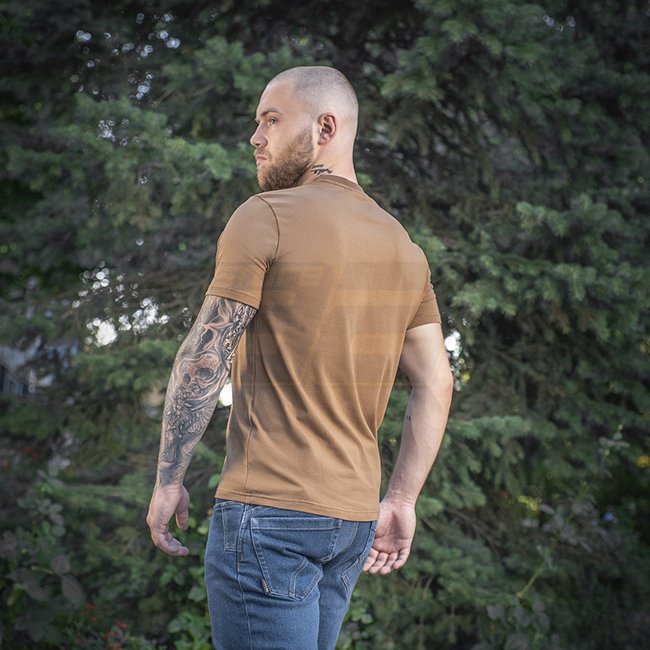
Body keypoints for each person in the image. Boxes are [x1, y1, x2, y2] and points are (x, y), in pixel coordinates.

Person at [146, 65, 453, 649]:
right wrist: (401, 500)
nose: (255, 138)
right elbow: (436, 382)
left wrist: (169, 479)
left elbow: (204, 358)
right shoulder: (404, 247)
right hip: (352, 522)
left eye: (271, 121)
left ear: (324, 128)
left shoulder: (265, 215)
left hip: (270, 512)